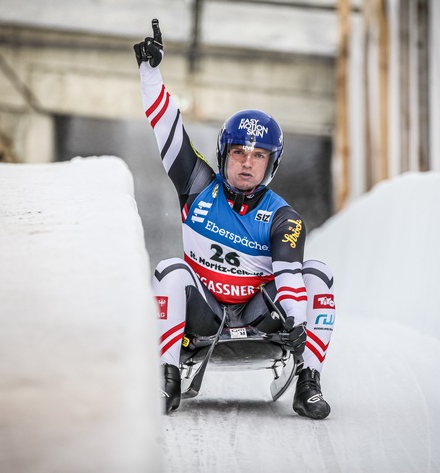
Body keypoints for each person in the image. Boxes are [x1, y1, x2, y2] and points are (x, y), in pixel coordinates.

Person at [134, 19, 336, 419]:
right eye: (239, 153)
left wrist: (296, 322)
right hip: (204, 314)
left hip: (262, 315)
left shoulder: (284, 217)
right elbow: (166, 126)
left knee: (319, 274)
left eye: (258, 155)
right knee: (169, 270)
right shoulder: (195, 183)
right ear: (223, 155)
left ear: (271, 164)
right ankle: (167, 377)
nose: (247, 163)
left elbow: (291, 279)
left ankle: (308, 382)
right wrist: (150, 73)